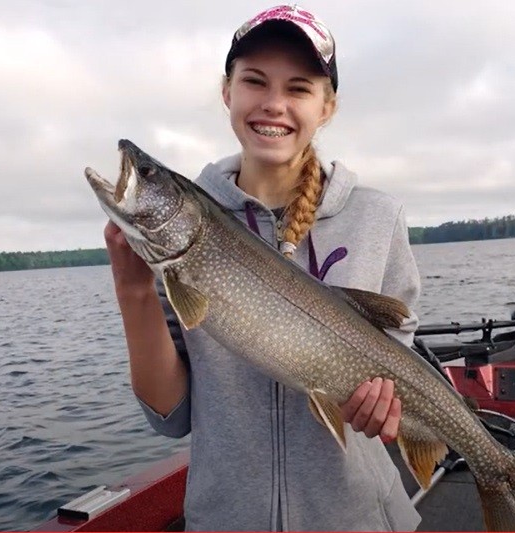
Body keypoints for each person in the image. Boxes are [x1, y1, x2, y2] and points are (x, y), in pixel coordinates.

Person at [104, 4, 422, 531]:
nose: (274, 104)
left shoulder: (378, 217)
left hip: (359, 518)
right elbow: (171, 417)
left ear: (327, 107)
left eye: (298, 88)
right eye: (254, 81)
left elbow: (397, 363)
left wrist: (381, 407)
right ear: (227, 91)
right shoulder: (186, 232)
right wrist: (132, 288)